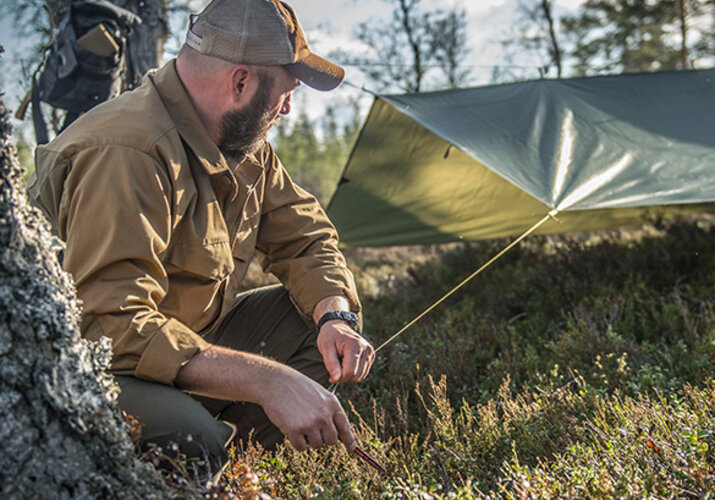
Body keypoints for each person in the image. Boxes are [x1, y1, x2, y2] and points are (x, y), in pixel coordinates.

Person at [28, 0, 374, 476]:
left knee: (314, 327)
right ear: (240, 82)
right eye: (286, 92)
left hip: (173, 346)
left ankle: (235, 474)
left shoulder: (243, 146)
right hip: (80, 367)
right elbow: (109, 326)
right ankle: (198, 465)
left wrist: (334, 315)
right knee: (192, 440)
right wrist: (267, 382)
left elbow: (305, 238)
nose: (287, 109)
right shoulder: (128, 152)